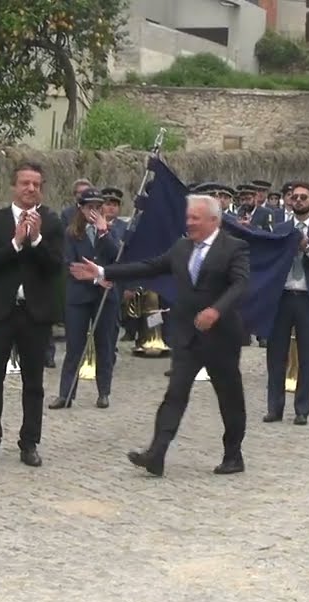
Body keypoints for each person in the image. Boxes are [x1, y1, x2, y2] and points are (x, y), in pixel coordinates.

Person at [69, 194, 249, 478]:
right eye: (188, 217)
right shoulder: (181, 247)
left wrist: (216, 311)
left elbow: (240, 284)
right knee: (175, 393)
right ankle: (157, 454)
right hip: (188, 335)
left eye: (195, 218)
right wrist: (104, 271)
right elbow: (148, 267)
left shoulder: (234, 248)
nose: (189, 223)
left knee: (229, 396)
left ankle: (233, 454)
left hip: (221, 337)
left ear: (214, 220)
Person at [0, 161, 64, 468]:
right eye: (25, 183)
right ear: (14, 186)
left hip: (34, 313)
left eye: (36, 184)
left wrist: (36, 240)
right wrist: (16, 242)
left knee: (33, 383)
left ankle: (30, 443)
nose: (30, 189)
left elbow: (54, 267)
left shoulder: (51, 223)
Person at [264, 181, 309, 424]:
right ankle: (275, 407)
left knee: (306, 356)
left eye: (304, 197)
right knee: (276, 356)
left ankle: (302, 409)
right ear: (289, 200)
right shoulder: (281, 228)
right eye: (295, 197)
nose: (299, 201)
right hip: (282, 298)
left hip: (308, 298)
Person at [51, 188, 120, 410]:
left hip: (105, 297)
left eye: (98, 207)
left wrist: (103, 232)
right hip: (79, 297)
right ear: (81, 208)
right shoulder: (71, 233)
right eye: (90, 207)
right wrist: (96, 279)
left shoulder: (112, 230)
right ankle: (66, 393)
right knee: (74, 346)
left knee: (105, 345)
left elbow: (117, 256)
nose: (95, 211)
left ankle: (104, 392)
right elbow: (72, 265)